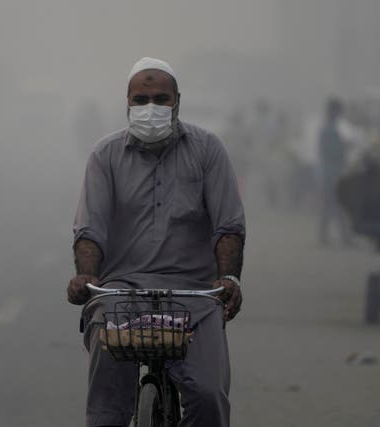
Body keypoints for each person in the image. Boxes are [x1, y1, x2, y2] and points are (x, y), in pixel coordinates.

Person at [67, 57, 246, 427]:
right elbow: (90, 228)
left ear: (177, 101)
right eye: (141, 99)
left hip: (195, 295)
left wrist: (229, 278)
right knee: (106, 402)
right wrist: (85, 275)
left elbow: (228, 225)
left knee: (209, 396)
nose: (151, 108)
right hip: (120, 293)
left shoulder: (208, 149)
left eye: (161, 99)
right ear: (128, 103)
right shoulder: (106, 154)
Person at [317, 97, 351, 245]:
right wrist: (345, 146)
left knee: (330, 205)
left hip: (330, 172)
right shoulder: (329, 130)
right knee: (338, 205)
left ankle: (326, 236)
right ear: (334, 112)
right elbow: (332, 151)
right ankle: (343, 237)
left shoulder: (328, 128)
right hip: (333, 172)